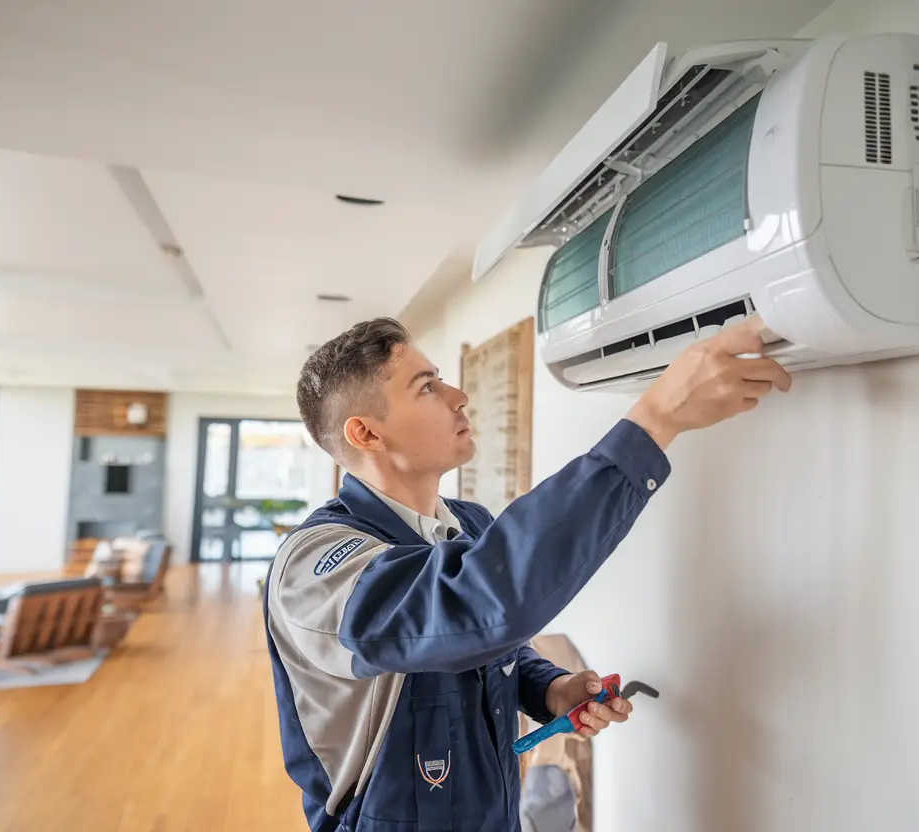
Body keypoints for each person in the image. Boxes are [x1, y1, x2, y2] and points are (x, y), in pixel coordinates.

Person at [264, 315, 791, 831]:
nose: (458, 396)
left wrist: (552, 689)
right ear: (366, 433)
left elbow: (496, 644)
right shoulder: (314, 565)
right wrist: (655, 420)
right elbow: (469, 608)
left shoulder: (468, 524)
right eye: (427, 387)